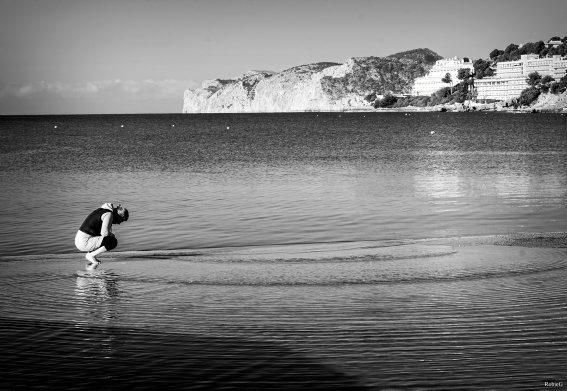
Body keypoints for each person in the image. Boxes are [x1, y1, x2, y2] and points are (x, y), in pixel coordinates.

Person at [75, 203, 129, 270]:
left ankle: (91, 256)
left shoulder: (102, 210)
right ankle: (91, 255)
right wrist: (112, 235)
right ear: (118, 215)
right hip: (84, 241)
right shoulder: (108, 214)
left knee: (108, 239)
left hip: (81, 240)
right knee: (112, 241)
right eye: (121, 220)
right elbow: (104, 233)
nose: (119, 223)